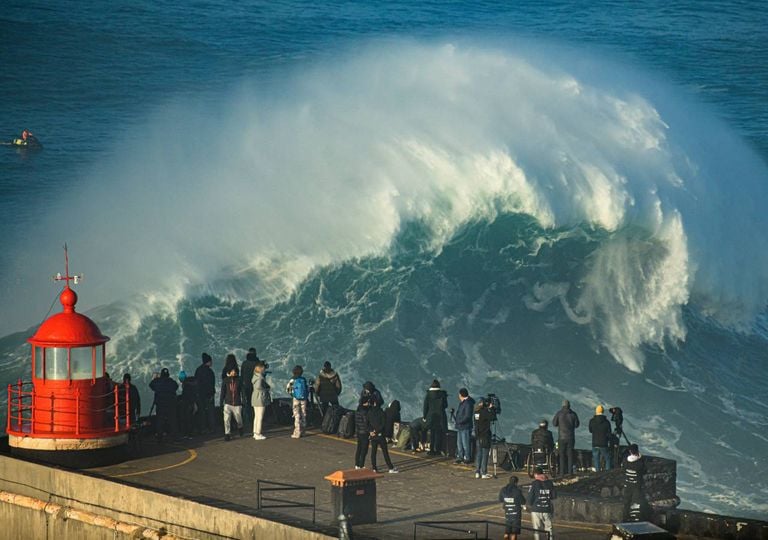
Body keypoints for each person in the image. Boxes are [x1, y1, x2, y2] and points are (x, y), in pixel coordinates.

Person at [367, 402, 399, 473]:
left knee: (373, 452)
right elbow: (383, 424)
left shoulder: (369, 412)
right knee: (385, 452)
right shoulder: (382, 412)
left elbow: (367, 423)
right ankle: (390, 468)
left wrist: (371, 431)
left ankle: (374, 468)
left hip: (373, 435)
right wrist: (377, 431)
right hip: (380, 435)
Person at [149, 368, 179, 442]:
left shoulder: (157, 381)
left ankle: (160, 437)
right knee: (172, 420)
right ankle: (174, 436)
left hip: (160, 404)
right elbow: (176, 387)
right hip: (171, 404)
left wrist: (155, 378)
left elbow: (151, 385)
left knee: (160, 421)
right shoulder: (172, 382)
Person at [527, 466, 556, 540]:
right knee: (549, 528)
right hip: (546, 509)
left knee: (536, 529)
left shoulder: (534, 483)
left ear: (536, 474)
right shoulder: (549, 483)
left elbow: (530, 497)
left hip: (536, 509)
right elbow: (553, 496)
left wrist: (528, 505)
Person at [552, 399, 580, 476]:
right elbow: (577, 425)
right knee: (570, 455)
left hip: (561, 437)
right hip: (571, 437)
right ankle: (570, 472)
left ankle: (562, 472)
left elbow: (554, 423)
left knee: (561, 455)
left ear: (562, 405)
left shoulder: (559, 413)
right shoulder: (573, 414)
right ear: (569, 405)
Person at [622, 443, 649, 521]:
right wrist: (640, 457)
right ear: (637, 451)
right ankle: (635, 519)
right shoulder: (639, 463)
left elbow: (624, 469)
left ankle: (625, 518)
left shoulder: (625, 461)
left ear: (630, 451)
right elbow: (644, 470)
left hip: (627, 484)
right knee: (636, 502)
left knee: (626, 502)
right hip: (636, 485)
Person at [423, 379, 448, 456]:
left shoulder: (428, 394)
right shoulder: (442, 394)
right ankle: (438, 450)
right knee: (438, 434)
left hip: (431, 416)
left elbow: (425, 406)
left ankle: (431, 450)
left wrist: (425, 416)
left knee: (432, 434)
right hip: (440, 417)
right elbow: (445, 405)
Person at [220, 365, 244, 441]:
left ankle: (240, 427)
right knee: (226, 419)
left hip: (237, 403)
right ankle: (227, 434)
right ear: (229, 372)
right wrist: (221, 402)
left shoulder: (239, 380)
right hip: (228, 403)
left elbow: (242, 391)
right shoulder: (225, 380)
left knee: (239, 419)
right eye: (232, 371)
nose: (233, 372)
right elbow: (223, 392)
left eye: (235, 371)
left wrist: (243, 400)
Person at [194, 353, 216, 433]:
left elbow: (196, 383)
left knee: (202, 412)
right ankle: (212, 428)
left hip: (200, 395)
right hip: (209, 395)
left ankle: (202, 429)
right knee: (210, 412)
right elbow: (211, 384)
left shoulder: (198, 370)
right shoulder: (210, 372)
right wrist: (212, 394)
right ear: (208, 361)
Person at [499, 476, 526, 540]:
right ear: (516, 482)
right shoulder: (517, 491)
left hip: (507, 512)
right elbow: (523, 501)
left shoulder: (503, 489)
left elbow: (500, 499)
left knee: (507, 530)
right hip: (516, 513)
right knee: (514, 532)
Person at [286, 365, 309, 439]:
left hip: (296, 399)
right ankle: (303, 431)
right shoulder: (303, 379)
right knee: (303, 414)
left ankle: (297, 432)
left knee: (297, 415)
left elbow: (288, 389)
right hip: (304, 399)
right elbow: (307, 388)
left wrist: (292, 394)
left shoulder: (292, 380)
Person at [454, 388, 476, 464]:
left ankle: (467, 458)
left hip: (465, 426)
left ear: (461, 395)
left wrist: (459, 421)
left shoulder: (468, 403)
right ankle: (460, 457)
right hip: (460, 426)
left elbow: (467, 416)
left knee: (465, 443)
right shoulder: (463, 403)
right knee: (459, 443)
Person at [251, 360, 271, 440]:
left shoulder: (255, 376)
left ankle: (255, 432)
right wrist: (266, 389)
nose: (264, 369)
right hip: (260, 398)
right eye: (264, 368)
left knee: (256, 416)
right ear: (261, 368)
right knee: (260, 417)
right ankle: (258, 433)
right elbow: (259, 387)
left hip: (255, 397)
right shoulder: (260, 378)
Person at [240, 348, 259, 435]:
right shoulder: (257, 363)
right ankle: (255, 418)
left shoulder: (245, 363)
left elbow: (242, 375)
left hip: (246, 386)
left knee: (247, 403)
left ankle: (248, 420)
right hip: (255, 386)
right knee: (256, 403)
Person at [589, 405, 612, 471]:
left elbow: (590, 430)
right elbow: (609, 433)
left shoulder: (592, 421)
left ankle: (598, 472)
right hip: (604, 443)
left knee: (596, 459)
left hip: (595, 443)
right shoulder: (607, 422)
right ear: (603, 411)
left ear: (596, 411)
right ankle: (608, 472)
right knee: (607, 458)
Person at [474, 399, 493, 479]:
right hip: (485, 436)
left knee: (479, 454)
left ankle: (477, 472)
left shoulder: (476, 412)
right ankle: (484, 472)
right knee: (485, 454)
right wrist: (491, 409)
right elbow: (493, 417)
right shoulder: (485, 412)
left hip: (478, 435)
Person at [178, 370, 198, 437]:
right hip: (192, 403)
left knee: (186, 419)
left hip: (188, 403)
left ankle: (187, 433)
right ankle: (191, 433)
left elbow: (186, 395)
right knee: (191, 418)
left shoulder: (186, 385)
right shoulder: (192, 383)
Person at [354, 402, 371, 469]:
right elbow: (366, 423)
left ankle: (357, 464)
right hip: (364, 433)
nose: (368, 404)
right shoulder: (364, 412)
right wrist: (369, 431)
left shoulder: (357, 411)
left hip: (359, 432)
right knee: (364, 450)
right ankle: (361, 464)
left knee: (359, 449)